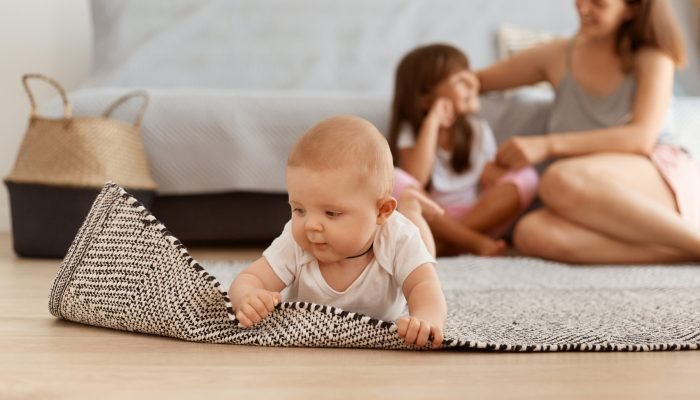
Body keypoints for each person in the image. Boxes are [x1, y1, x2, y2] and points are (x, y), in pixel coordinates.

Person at [477, 0, 700, 264]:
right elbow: (474, 81)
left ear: (632, 9)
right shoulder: (556, 55)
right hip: (584, 194)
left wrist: (547, 145)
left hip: (656, 173)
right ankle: (684, 250)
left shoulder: (653, 57)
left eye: (598, 3)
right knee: (531, 232)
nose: (583, 8)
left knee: (557, 178)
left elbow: (641, 138)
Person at [228, 116, 447, 348]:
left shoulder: (398, 237)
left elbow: (424, 286)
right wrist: (248, 297)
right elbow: (250, 278)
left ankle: (411, 208)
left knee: (425, 254)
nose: (311, 225)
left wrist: (426, 319)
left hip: (401, 235)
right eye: (299, 210)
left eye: (331, 213)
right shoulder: (295, 242)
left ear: (382, 211)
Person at [388, 44, 539, 256]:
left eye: (469, 75)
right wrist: (433, 121)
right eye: (460, 81)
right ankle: (471, 242)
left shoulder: (477, 128)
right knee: (394, 178)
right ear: (426, 99)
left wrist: (497, 172)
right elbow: (416, 177)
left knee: (527, 176)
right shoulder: (412, 131)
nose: (473, 84)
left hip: (478, 215)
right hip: (433, 218)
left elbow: (488, 176)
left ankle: (452, 242)